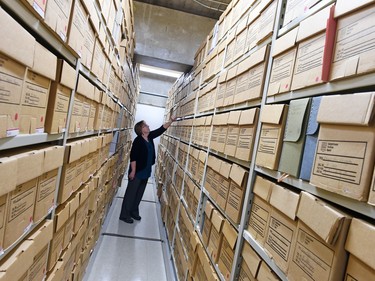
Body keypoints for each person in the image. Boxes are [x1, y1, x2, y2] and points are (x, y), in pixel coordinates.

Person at [119, 116, 177, 223]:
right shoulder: (138, 141)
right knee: (131, 194)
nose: (148, 126)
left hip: (146, 171)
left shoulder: (149, 137)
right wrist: (133, 171)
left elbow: (161, 130)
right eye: (145, 125)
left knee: (139, 193)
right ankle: (125, 214)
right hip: (137, 171)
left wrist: (171, 121)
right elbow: (133, 157)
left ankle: (134, 211)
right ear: (141, 129)